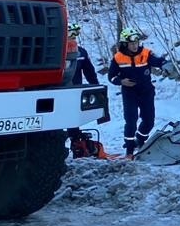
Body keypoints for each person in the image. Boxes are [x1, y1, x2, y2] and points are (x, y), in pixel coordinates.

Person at [107, 28, 168, 158]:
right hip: (129, 93)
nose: (135, 46)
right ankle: (129, 151)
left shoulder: (146, 53)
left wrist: (165, 65)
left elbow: (158, 61)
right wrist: (121, 81)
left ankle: (139, 140)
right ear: (125, 44)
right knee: (131, 120)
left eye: (136, 43)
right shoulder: (118, 57)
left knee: (149, 121)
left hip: (146, 91)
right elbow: (111, 77)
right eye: (131, 43)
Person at [65, 22, 100, 155]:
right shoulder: (55, 52)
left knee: (73, 118)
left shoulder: (81, 52)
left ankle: (76, 144)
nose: (73, 39)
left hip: (75, 91)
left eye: (74, 37)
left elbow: (89, 71)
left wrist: (95, 86)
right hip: (58, 91)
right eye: (70, 36)